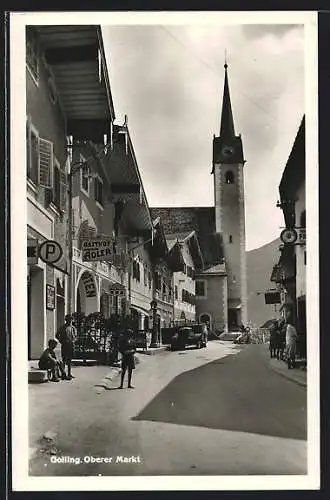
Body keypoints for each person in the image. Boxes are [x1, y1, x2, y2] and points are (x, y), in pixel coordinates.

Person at [56, 316, 77, 380]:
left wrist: (74, 340)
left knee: (69, 360)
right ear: (66, 320)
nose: (69, 321)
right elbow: (57, 335)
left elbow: (75, 336)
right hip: (65, 344)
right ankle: (63, 373)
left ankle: (69, 373)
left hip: (71, 345)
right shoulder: (62, 327)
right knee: (64, 359)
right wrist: (61, 341)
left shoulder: (73, 328)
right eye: (68, 320)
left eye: (70, 320)